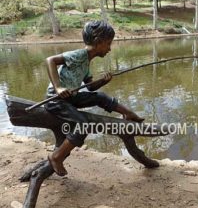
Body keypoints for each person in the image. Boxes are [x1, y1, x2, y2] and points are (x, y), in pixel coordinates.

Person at [45, 20, 144, 176]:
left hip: (72, 97)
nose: (110, 49)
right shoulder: (78, 54)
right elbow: (50, 60)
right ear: (99, 42)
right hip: (56, 100)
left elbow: (90, 87)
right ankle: (56, 157)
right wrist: (58, 87)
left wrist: (103, 81)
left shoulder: (86, 61)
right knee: (83, 124)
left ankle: (128, 113)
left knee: (100, 97)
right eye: (108, 44)